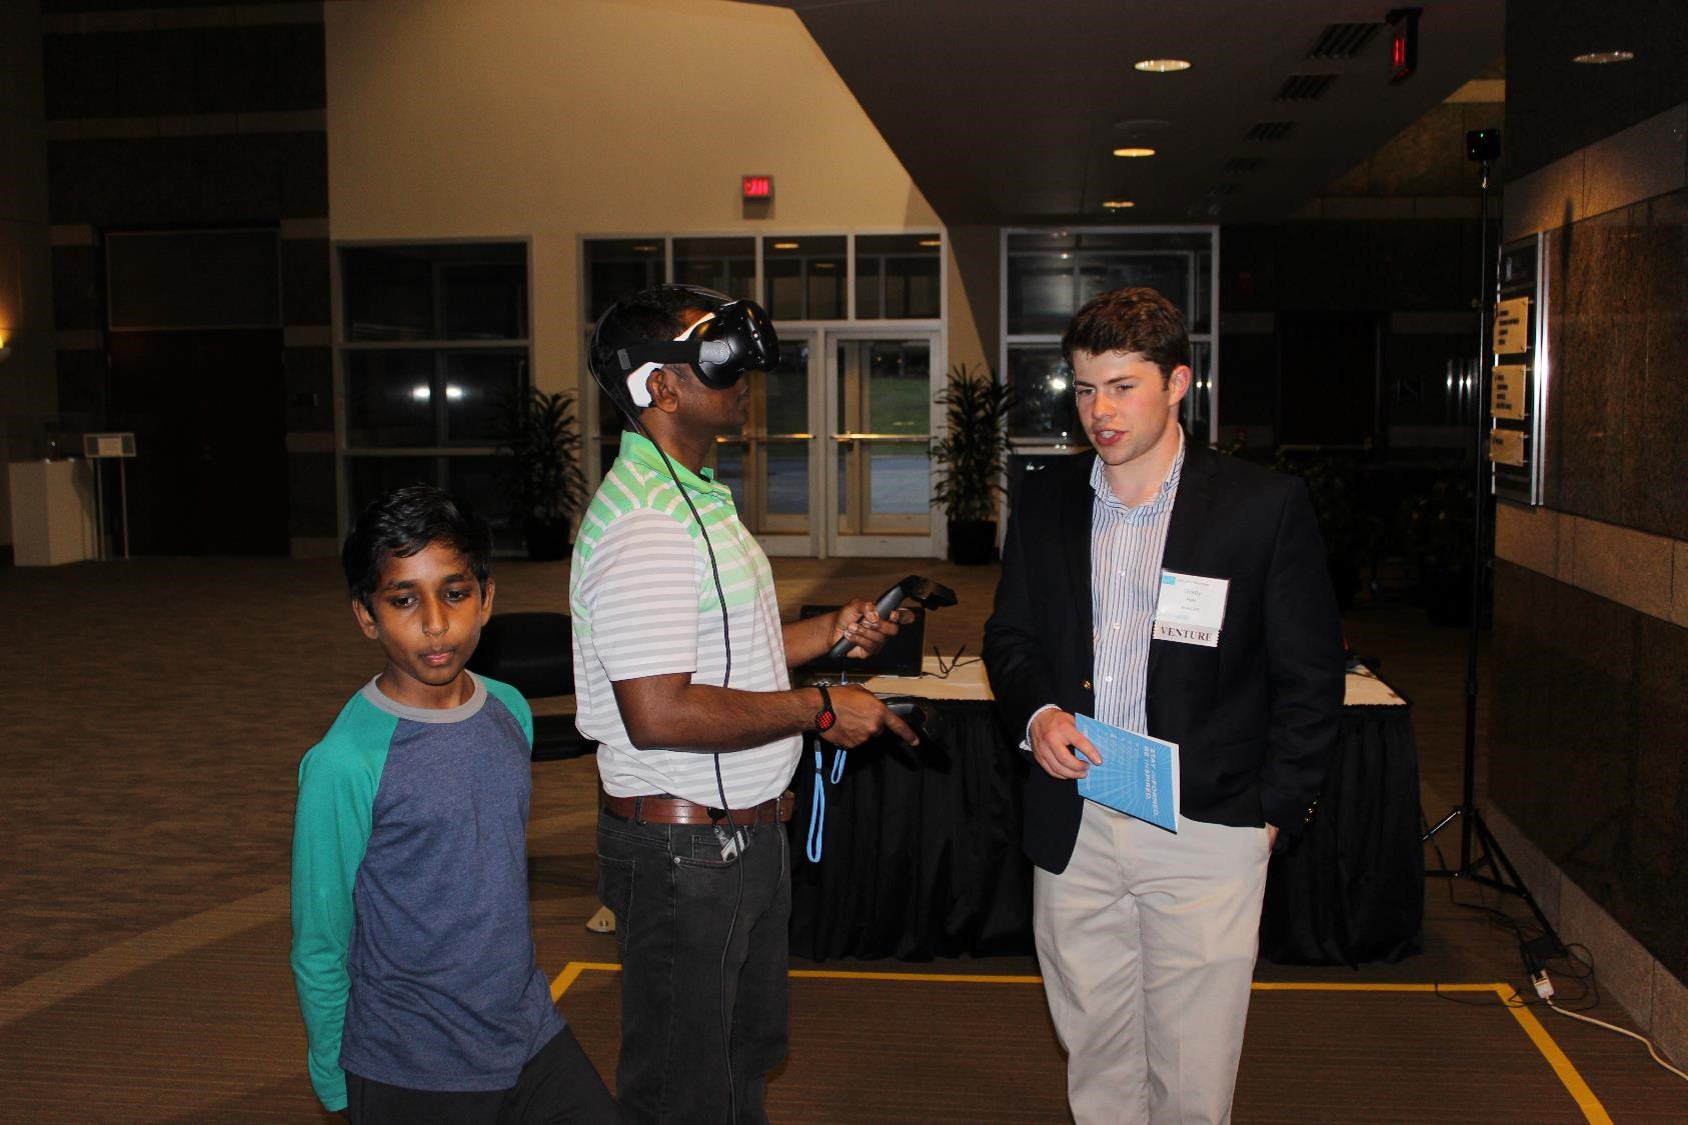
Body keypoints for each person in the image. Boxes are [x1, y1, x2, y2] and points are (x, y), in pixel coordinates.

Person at [982, 287, 1344, 1123]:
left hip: (1208, 827)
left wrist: (1272, 814)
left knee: (1192, 1070)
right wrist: (1038, 716)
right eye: (1082, 388)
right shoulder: (1046, 499)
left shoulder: (1261, 507)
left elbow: (1310, 677)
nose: (1098, 411)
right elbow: (1011, 639)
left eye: (1121, 385)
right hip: (1077, 819)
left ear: (1179, 382)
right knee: (1097, 1055)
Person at [572, 284, 915, 1124]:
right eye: (720, 366)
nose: (745, 382)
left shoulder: (697, 497)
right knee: (687, 1087)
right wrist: (821, 711)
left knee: (737, 1062)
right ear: (660, 387)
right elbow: (661, 711)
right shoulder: (647, 523)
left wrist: (829, 631)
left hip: (734, 837)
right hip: (686, 852)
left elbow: (725, 651)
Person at [290, 485, 617, 1124]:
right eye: (404, 599)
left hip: (528, 1030)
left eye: (455, 593)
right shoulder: (344, 762)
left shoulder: (508, 711)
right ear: (367, 615)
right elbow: (319, 939)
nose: (436, 623)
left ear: (487, 598)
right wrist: (337, 1079)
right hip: (412, 1058)